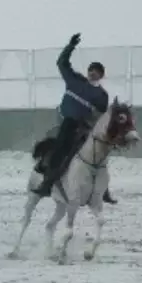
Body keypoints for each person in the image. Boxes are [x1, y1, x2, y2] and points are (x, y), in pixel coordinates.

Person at [34, 33, 115, 202]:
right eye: (91, 70)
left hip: (85, 125)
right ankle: (47, 183)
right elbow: (61, 63)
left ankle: (103, 190)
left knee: (98, 151)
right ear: (88, 71)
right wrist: (70, 46)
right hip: (68, 122)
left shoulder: (101, 95)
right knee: (62, 148)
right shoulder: (75, 80)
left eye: (97, 72)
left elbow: (101, 114)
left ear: (101, 76)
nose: (93, 73)